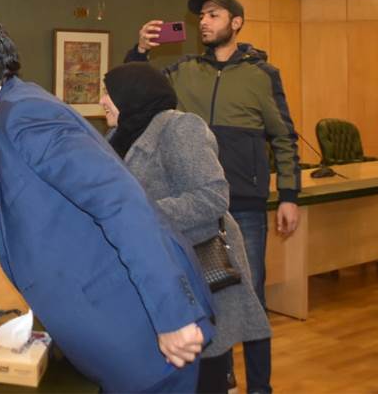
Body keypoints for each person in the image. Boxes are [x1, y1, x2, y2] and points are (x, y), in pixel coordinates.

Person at [0, 16, 214, 393]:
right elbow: (39, 210)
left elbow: (121, 203)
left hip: (141, 335)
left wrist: (173, 314)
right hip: (117, 332)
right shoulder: (11, 112)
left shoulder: (24, 117)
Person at [126, 0, 301, 393]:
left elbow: (284, 136)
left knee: (249, 298)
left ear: (236, 22)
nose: (203, 21)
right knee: (205, 296)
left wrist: (289, 195)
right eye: (201, 16)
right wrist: (140, 52)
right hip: (198, 207)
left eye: (213, 14)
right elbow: (135, 93)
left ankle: (260, 387)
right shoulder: (183, 70)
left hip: (245, 204)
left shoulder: (263, 75)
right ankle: (222, 377)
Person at [101, 63, 271, 393]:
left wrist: (139, 214)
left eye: (109, 92)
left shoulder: (179, 128)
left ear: (132, 95)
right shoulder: (118, 137)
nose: (102, 101)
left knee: (204, 372)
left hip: (195, 273)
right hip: (160, 276)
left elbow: (212, 197)